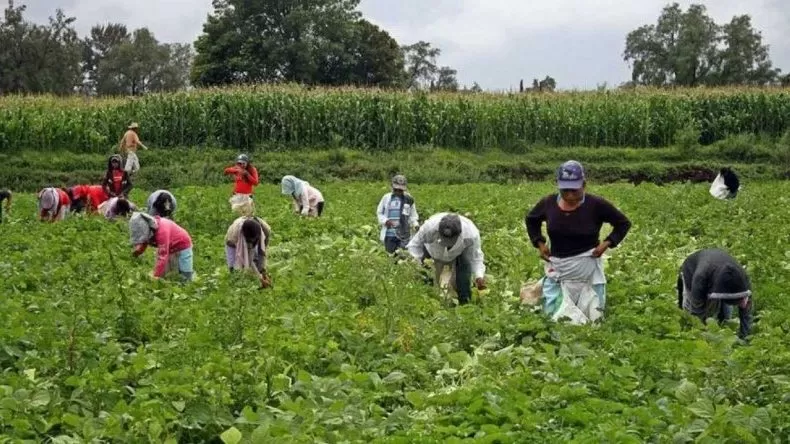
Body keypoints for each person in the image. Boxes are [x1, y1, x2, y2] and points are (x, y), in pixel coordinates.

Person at [525, 160, 631, 324]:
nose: (570, 195)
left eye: (575, 190)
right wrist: (539, 243)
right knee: (553, 320)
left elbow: (623, 223)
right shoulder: (549, 203)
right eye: (565, 190)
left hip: (587, 271)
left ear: (584, 184)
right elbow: (531, 220)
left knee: (592, 320)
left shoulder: (595, 204)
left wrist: (607, 243)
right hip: (559, 269)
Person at [406, 212, 487, 306]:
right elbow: (414, 245)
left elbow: (475, 257)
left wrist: (479, 276)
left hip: (459, 253)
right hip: (431, 251)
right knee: (424, 280)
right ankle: (425, 304)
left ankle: (464, 306)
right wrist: (416, 263)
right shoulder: (429, 227)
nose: (447, 244)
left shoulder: (471, 234)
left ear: (460, 234)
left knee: (463, 280)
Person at [677, 248, 753, 339]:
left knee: (726, 317)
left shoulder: (742, 279)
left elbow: (746, 314)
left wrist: (745, 338)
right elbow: (696, 315)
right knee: (692, 316)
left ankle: (722, 327)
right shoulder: (700, 277)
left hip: (716, 273)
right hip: (692, 272)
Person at [129, 212, 194, 282]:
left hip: (182, 245)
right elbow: (144, 242)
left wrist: (155, 276)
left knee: (185, 277)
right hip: (169, 247)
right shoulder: (150, 229)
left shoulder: (162, 231)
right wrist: (136, 253)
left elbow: (162, 256)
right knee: (168, 276)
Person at [225, 215, 272, 288]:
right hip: (232, 243)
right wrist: (260, 278)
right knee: (233, 266)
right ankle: (235, 284)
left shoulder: (265, 230)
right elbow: (249, 260)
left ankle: (258, 280)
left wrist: (263, 272)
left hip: (253, 236)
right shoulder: (237, 233)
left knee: (257, 259)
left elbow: (262, 251)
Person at [376, 174, 420, 253]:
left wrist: (416, 225)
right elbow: (379, 212)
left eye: (400, 190)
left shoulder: (409, 199)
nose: (398, 192)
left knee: (403, 257)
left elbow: (413, 215)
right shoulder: (386, 198)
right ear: (392, 187)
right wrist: (385, 221)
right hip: (390, 234)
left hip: (404, 234)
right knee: (390, 256)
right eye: (396, 189)